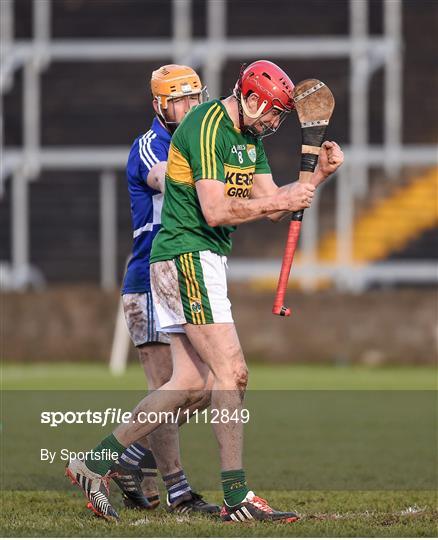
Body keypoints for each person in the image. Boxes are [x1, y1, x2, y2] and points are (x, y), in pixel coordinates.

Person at [66, 60, 344, 523]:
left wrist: (318, 178)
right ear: (252, 100)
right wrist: (282, 199)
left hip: (199, 259)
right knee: (232, 374)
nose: (276, 123)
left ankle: (93, 465)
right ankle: (237, 497)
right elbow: (215, 211)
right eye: (274, 113)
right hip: (187, 254)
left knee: (191, 384)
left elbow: (273, 204)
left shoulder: (249, 139)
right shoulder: (206, 125)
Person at [66, 65, 218, 519]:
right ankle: (178, 493)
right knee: (170, 387)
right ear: (160, 105)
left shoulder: (195, 143)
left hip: (178, 275)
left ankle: (128, 458)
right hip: (149, 279)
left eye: (196, 98)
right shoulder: (150, 145)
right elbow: (168, 182)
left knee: (207, 385)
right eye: (181, 100)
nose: (191, 107)